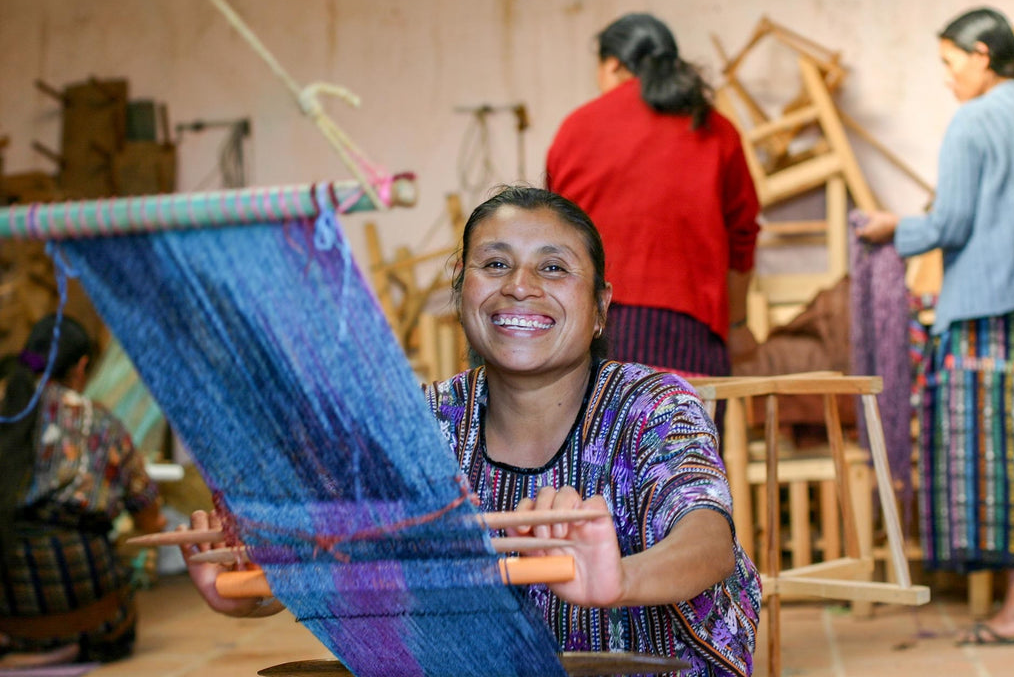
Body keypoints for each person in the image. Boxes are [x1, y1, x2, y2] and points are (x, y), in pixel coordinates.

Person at [182, 186, 762, 676]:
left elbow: (707, 541)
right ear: (461, 287)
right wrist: (248, 589)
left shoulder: (651, 405)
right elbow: (331, 560)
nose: (520, 285)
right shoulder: (421, 427)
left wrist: (618, 580)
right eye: (495, 264)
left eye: (554, 267)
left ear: (601, 305)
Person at [858, 7, 1014, 645]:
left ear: (982, 55)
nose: (948, 79)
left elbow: (950, 224)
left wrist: (893, 227)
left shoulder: (975, 120)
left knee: (1001, 457)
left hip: (991, 319)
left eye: (951, 64)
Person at [545, 12, 761, 379]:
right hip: (691, 334)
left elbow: (549, 234)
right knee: (685, 435)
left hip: (589, 329)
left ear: (612, 65)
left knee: (597, 436)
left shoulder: (576, 127)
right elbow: (742, 238)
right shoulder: (715, 129)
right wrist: (738, 326)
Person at [0, 315, 164, 666]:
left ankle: (20, 646)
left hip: (9, 614)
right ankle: (65, 647)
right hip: (90, 614)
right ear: (82, 367)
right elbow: (151, 519)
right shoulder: (99, 421)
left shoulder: (5, 411)